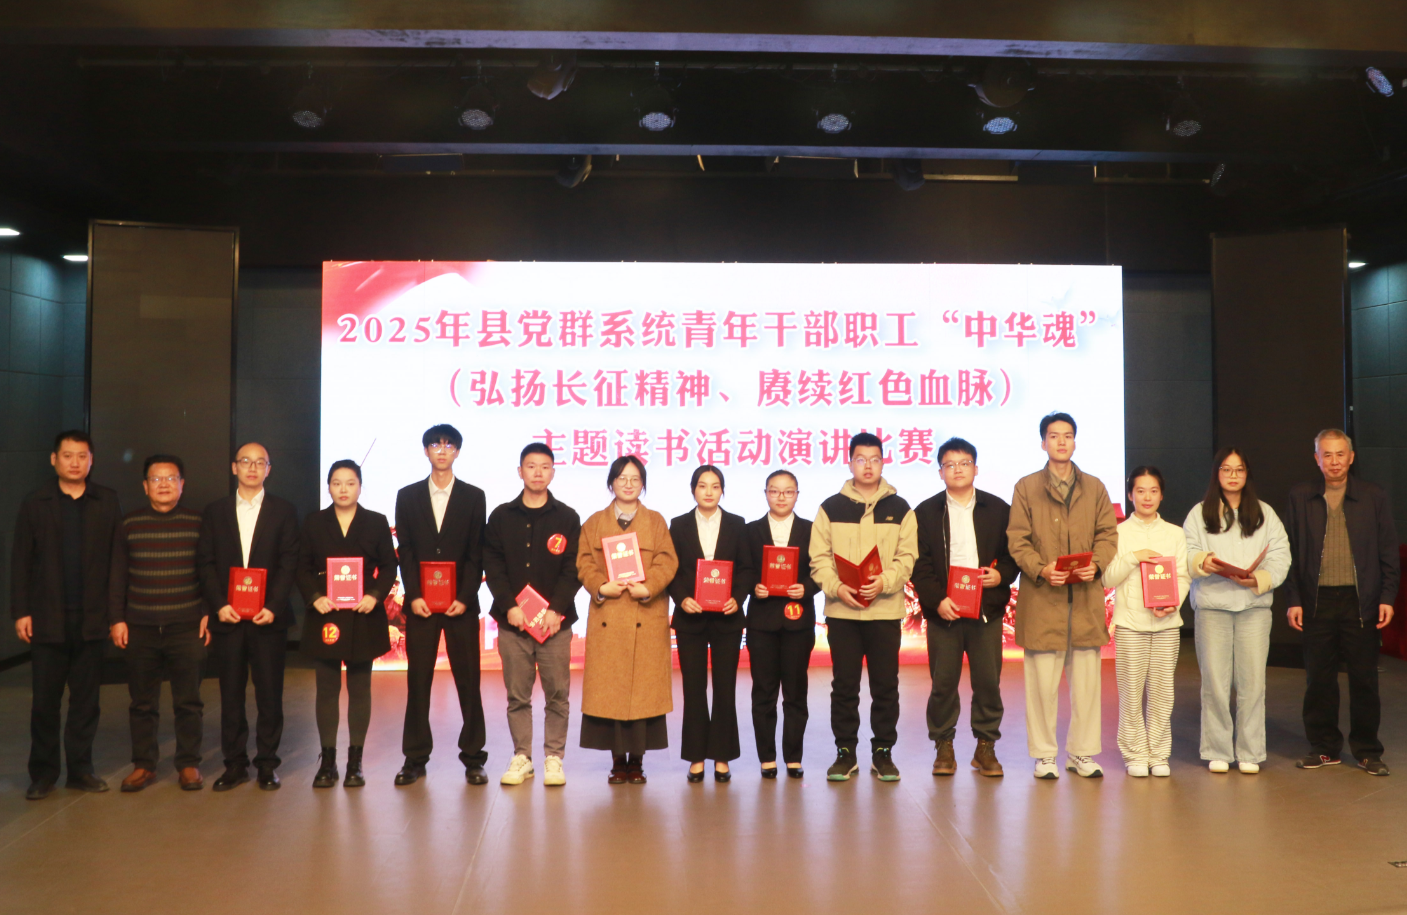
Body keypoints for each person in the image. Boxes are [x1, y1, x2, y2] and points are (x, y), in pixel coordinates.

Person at [12, 431, 123, 800]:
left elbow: (116, 561)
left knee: (86, 702)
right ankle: (43, 773)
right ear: (54, 459)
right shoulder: (36, 502)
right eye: (68, 455)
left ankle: (81, 770)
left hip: (92, 619)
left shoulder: (106, 500)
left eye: (82, 456)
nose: (75, 462)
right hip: (47, 619)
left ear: (91, 460)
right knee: (45, 702)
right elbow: (21, 560)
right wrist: (21, 611)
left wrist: (115, 614)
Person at [1007, 412, 1119, 779]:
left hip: (1084, 599)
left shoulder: (1095, 487)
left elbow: (1108, 534)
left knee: (1086, 686)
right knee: (1041, 686)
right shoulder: (1026, 487)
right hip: (1044, 598)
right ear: (1043, 443)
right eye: (1053, 436)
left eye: (1067, 435)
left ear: (1075, 441)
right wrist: (1041, 568)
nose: (1061, 442)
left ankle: (1081, 754)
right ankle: (1044, 755)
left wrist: (1097, 564)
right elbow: (1017, 539)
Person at [1284, 429, 1400, 776]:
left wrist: (1387, 596)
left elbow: (1388, 550)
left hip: (1361, 601)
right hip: (1316, 601)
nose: (1334, 462)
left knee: (1364, 679)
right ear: (1316, 459)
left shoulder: (1373, 496)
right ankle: (1323, 747)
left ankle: (1367, 751)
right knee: (1319, 680)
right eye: (1327, 455)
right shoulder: (1300, 496)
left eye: (1340, 454)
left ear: (1351, 457)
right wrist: (1294, 598)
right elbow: (1289, 553)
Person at [809, 432, 919, 783]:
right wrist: (837, 587)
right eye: (860, 459)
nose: (867, 466)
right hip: (843, 613)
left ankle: (883, 752)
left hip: (884, 611)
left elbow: (907, 557)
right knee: (845, 686)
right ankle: (845, 753)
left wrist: (884, 582)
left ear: (883, 462)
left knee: (885, 685)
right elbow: (819, 559)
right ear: (850, 463)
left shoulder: (901, 509)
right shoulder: (830, 508)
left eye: (874, 459)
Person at [911, 438, 1017, 779]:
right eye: (950, 464)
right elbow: (919, 565)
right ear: (940, 471)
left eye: (964, 463)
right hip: (945, 611)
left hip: (985, 610)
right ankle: (944, 745)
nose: (957, 469)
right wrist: (937, 601)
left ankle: (985, 746)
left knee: (988, 681)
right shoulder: (925, 512)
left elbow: (1014, 554)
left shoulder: (998, 509)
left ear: (976, 468)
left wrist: (1001, 575)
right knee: (943, 682)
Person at [198, 442, 300, 791]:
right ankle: (235, 764)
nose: (253, 468)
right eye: (246, 461)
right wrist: (218, 604)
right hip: (228, 618)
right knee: (230, 695)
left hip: (268, 619)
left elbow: (289, 562)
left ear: (268, 469)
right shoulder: (216, 512)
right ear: (234, 467)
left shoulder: (283, 511)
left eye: (260, 463)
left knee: (269, 695)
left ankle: (267, 764)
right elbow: (206, 562)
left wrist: (273, 605)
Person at [1183, 447, 1291, 774]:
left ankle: (1250, 751)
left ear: (1247, 474)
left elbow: (1281, 555)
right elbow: (1186, 551)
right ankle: (1217, 749)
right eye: (1226, 469)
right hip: (1212, 606)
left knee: (1252, 683)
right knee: (1215, 683)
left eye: (1239, 469)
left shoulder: (1264, 513)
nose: (1233, 475)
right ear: (1216, 473)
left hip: (1253, 608)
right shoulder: (1199, 513)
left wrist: (1258, 578)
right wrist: (1202, 562)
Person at [393, 423, 489, 786]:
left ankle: (474, 757)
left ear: (457, 452)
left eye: (449, 445)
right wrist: (414, 594)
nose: (442, 450)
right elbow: (406, 551)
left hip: (460, 606)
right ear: (426, 451)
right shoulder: (407, 496)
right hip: (421, 605)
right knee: (418, 681)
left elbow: (476, 552)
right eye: (436, 444)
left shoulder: (474, 496)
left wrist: (464, 597)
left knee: (469, 681)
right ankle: (414, 757)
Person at [483, 443, 581, 787]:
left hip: (555, 625)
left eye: (544, 466)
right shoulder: (501, 516)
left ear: (553, 472)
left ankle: (554, 757)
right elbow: (493, 565)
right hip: (514, 624)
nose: (538, 472)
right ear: (520, 471)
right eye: (531, 466)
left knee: (558, 695)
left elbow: (573, 568)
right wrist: (509, 606)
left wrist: (556, 610)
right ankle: (522, 756)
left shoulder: (567, 517)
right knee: (517, 696)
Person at [576, 455, 679, 785]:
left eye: (635, 479)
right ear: (611, 483)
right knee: (612, 693)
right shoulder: (594, 522)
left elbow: (667, 562)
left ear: (643, 484)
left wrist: (649, 587)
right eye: (622, 478)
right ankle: (617, 761)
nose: (628, 484)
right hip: (608, 616)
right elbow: (583, 563)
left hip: (645, 615)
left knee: (643, 694)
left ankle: (637, 761)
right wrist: (599, 586)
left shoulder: (656, 522)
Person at [110, 454, 208, 793]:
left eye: (171, 478)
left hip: (187, 626)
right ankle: (144, 765)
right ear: (145, 486)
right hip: (140, 627)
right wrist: (116, 619)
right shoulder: (129, 524)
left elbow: (209, 573)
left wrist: (208, 611)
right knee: (142, 703)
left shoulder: (198, 523)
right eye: (156, 479)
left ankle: (189, 764)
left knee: (189, 701)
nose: (164, 484)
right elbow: (117, 576)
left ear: (182, 484)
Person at [297, 460, 396, 788]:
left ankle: (355, 762)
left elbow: (389, 566)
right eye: (337, 483)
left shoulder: (376, 522)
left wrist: (375, 596)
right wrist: (314, 597)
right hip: (325, 614)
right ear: (328, 487)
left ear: (360, 487)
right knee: (327, 689)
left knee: (359, 687)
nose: (343, 489)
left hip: (363, 614)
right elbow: (301, 566)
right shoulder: (314, 522)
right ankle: (327, 762)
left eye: (350, 483)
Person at [1100, 466, 1190, 778]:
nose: (1147, 497)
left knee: (1163, 693)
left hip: (1167, 624)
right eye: (1140, 491)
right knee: (1131, 692)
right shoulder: (1118, 533)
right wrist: (1133, 557)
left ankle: (1158, 754)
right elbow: (1107, 578)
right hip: (1130, 623)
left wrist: (1173, 603)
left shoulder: (1175, 534)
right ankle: (1135, 753)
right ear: (1130, 495)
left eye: (1153, 491)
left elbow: (1183, 576)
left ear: (1161, 495)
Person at [669, 465, 749, 783]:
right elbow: (671, 570)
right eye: (702, 486)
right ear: (693, 490)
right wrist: (681, 598)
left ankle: (722, 756)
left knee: (725, 688)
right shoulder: (678, 525)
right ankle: (696, 756)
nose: (708, 492)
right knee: (693, 688)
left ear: (722, 491)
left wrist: (738, 597)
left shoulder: (737, 524)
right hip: (691, 618)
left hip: (727, 618)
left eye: (715, 486)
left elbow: (746, 568)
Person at [740, 470, 819, 779]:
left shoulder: (812, 530)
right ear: (766, 494)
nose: (781, 497)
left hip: (798, 623)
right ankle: (767, 758)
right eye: (774, 491)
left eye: (788, 491)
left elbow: (821, 569)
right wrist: (753, 587)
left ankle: (794, 757)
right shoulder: (750, 531)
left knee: (796, 693)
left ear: (797, 495)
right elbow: (744, 569)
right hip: (762, 622)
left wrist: (807, 588)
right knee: (763, 692)